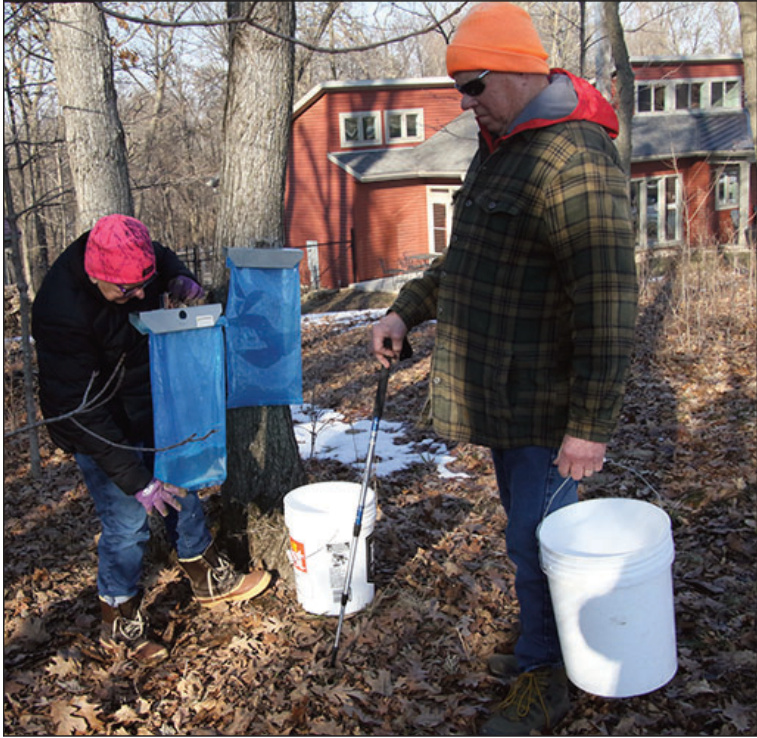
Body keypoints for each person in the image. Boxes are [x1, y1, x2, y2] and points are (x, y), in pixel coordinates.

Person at [371, 3, 638, 735]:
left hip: (547, 408)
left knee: (542, 543)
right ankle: (534, 649)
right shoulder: (500, 142)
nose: (465, 99)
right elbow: (466, 259)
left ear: (522, 71)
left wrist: (588, 428)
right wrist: (406, 309)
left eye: (475, 82)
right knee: (527, 538)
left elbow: (609, 306)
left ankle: (547, 677)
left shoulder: (572, 155)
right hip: (501, 396)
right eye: (459, 84)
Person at [32, 213, 272, 665]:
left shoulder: (126, 249)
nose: (141, 295)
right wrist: (137, 481)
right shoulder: (60, 310)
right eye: (128, 290)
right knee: (127, 523)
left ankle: (207, 578)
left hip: (147, 397)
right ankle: (118, 621)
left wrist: (180, 277)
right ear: (98, 275)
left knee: (181, 481)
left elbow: (160, 260)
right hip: (94, 425)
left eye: (143, 285)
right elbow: (83, 413)